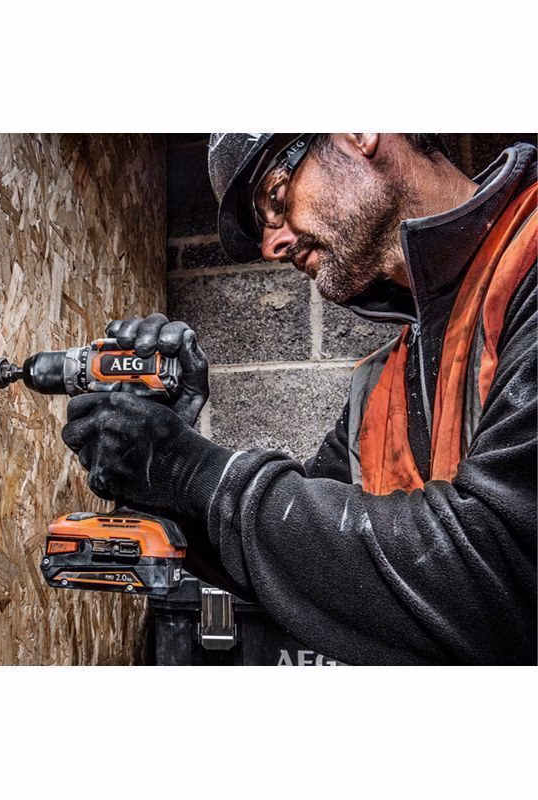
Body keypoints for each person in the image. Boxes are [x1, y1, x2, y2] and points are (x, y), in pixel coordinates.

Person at [60, 133, 537, 665]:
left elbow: (502, 576)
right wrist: (165, 478)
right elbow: (308, 563)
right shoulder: (382, 382)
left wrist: (195, 471)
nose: (272, 247)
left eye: (275, 198)